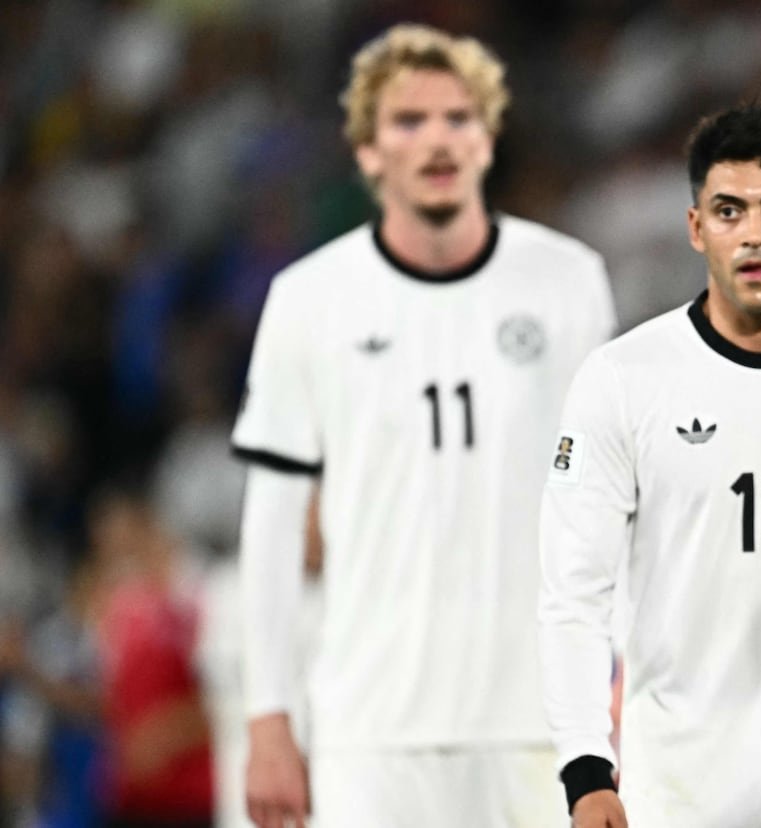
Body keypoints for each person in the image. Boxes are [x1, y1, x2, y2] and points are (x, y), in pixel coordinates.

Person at [232, 24, 615, 828]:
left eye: (457, 118)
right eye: (409, 121)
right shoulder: (309, 298)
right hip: (370, 730)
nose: (437, 139)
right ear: (368, 152)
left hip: (539, 721)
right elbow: (271, 524)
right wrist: (267, 715)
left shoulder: (568, 281)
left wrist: (620, 671)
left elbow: (609, 497)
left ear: (487, 139)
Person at [538, 102, 761, 828]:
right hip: (682, 798)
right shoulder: (624, 379)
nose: (755, 234)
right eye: (730, 211)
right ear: (696, 226)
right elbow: (573, 593)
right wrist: (585, 769)